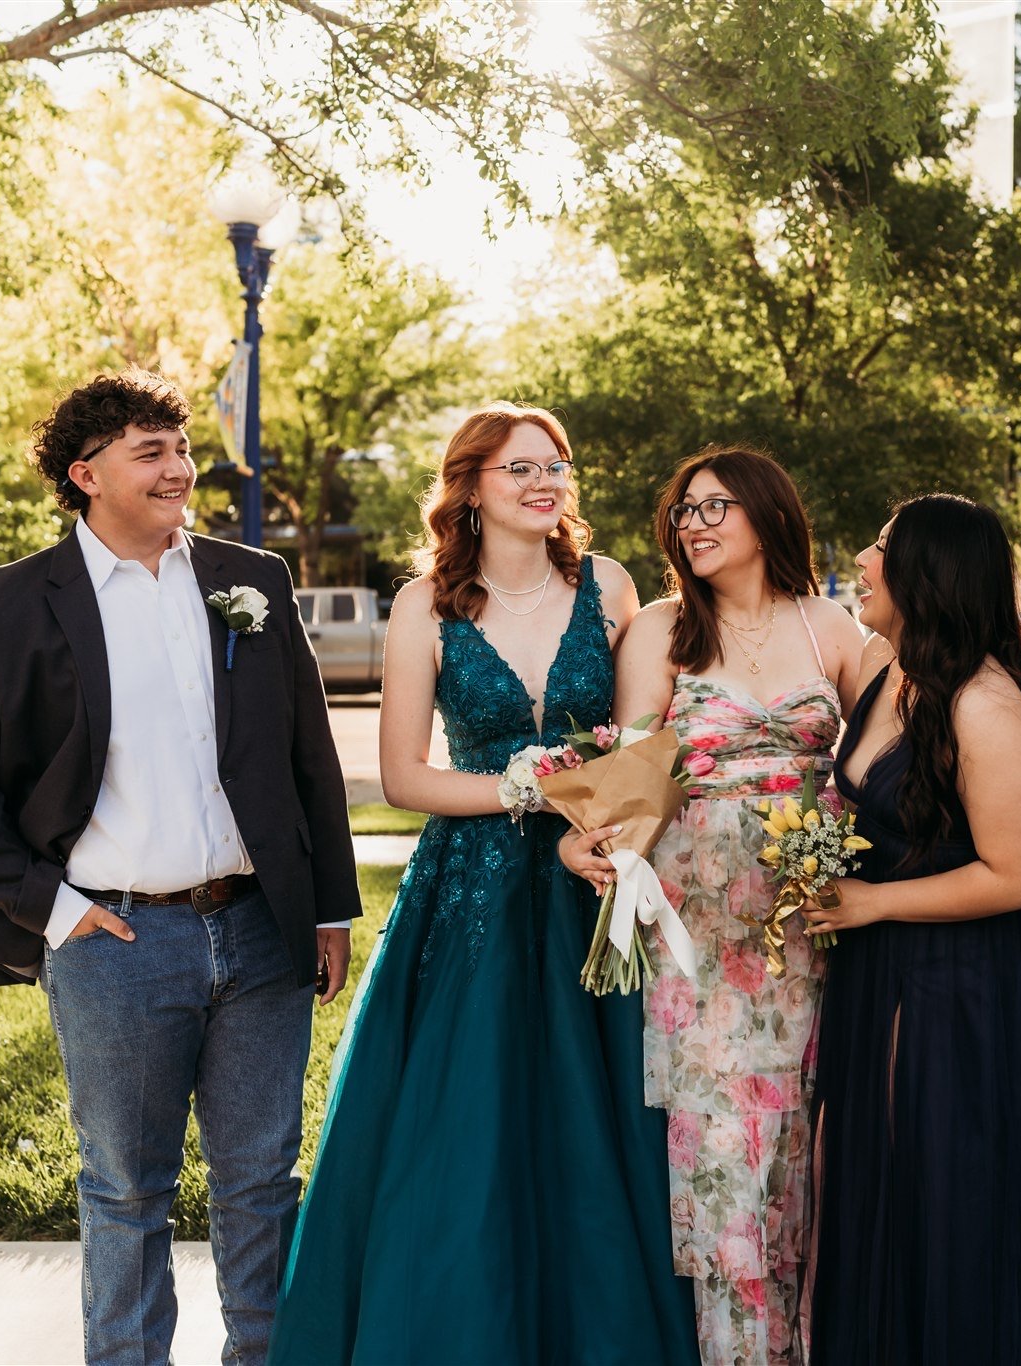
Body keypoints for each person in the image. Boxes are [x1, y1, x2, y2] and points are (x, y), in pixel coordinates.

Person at [0, 370, 360, 1365]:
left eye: (181, 448)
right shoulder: (2, 606)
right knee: (125, 1190)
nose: (179, 469)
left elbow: (305, 758)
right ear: (85, 473)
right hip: (111, 939)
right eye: (150, 451)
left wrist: (327, 907)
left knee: (261, 1181)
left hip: (256, 928)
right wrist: (51, 908)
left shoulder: (253, 582)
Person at [270, 402, 696, 1366]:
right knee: (466, 1127)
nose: (546, 483)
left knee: (601, 1121)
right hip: (471, 894)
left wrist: (601, 809)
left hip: (596, 878)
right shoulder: (424, 606)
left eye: (559, 466)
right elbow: (404, 779)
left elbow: (643, 742)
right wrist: (519, 786)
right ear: (470, 487)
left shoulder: (611, 587)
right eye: (521, 469)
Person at [564, 445, 867, 1366]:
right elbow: (630, 773)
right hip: (699, 945)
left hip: (814, 935)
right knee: (728, 1160)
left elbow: (891, 756)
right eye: (684, 511)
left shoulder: (833, 628)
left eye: (714, 508)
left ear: (770, 515)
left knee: (811, 1152)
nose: (692, 524)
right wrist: (588, 837)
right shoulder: (662, 630)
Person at [803, 494, 1021, 1364]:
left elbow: (1017, 875)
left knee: (939, 1203)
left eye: (879, 549)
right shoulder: (886, 673)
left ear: (927, 574)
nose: (863, 564)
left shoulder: (984, 701)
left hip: (959, 982)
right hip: (881, 966)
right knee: (872, 1193)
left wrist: (873, 902)